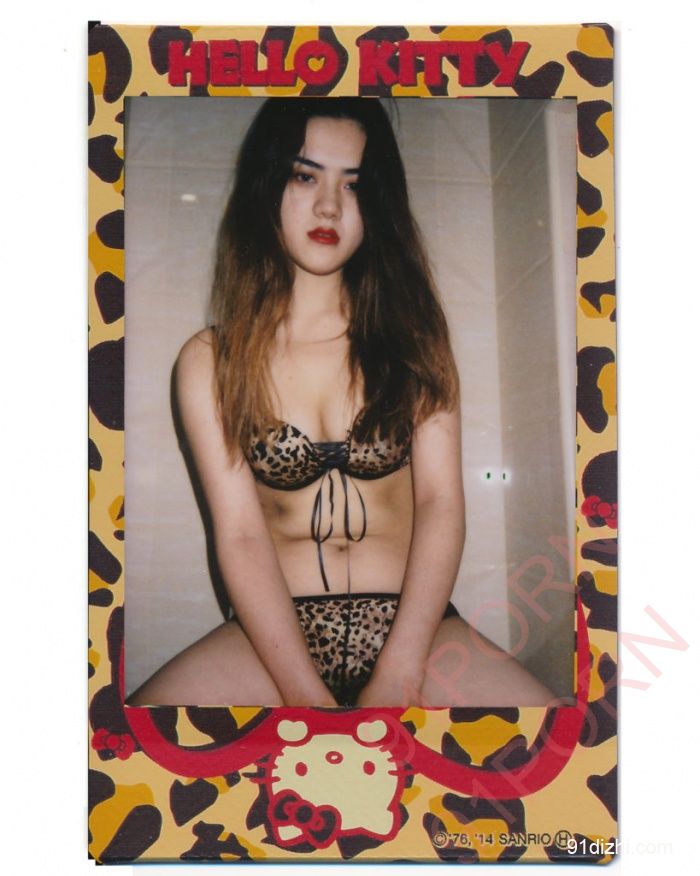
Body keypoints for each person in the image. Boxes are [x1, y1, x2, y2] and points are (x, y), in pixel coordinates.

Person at [129, 98, 553, 708]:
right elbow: (241, 535)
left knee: (562, 747)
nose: (329, 206)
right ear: (267, 186)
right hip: (270, 644)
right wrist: (305, 697)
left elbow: (440, 505)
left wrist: (401, 672)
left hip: (420, 635)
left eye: (352, 185)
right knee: (120, 744)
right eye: (306, 176)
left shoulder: (414, 340)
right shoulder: (211, 360)